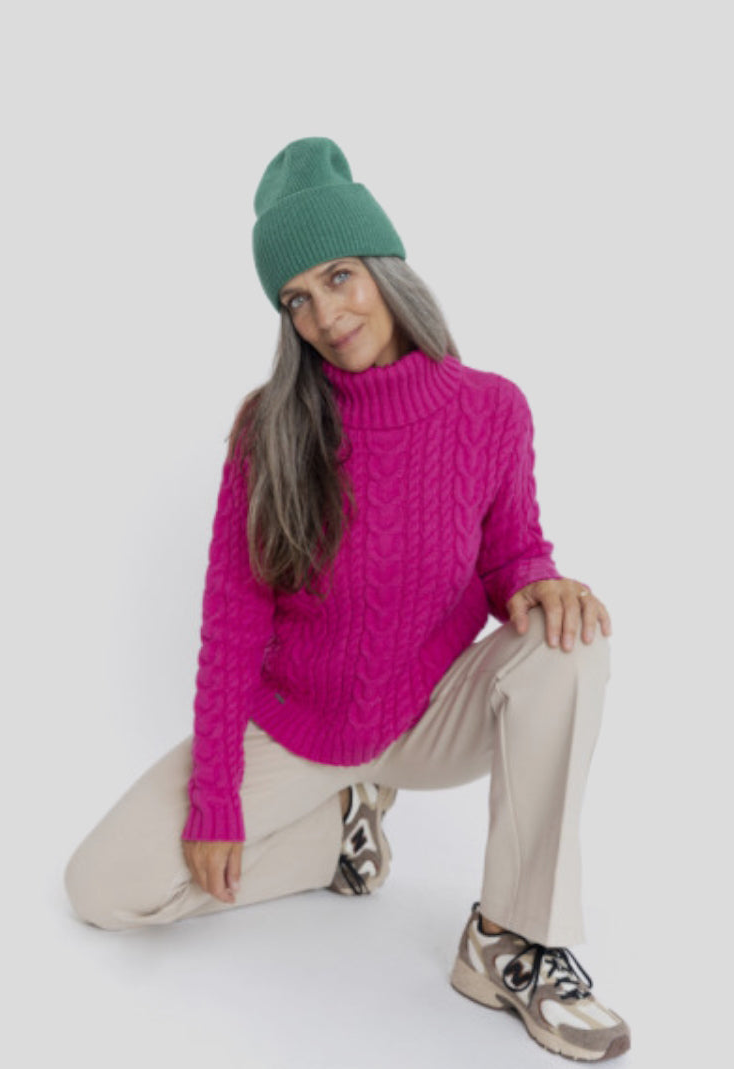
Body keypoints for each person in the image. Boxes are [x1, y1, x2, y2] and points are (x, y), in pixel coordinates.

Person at [65, 137, 630, 1061]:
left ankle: (511, 940)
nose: (326, 315)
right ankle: (336, 833)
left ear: (383, 268)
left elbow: (512, 559)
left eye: (338, 277)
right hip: (300, 727)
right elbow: (231, 624)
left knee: (572, 642)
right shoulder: (271, 428)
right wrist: (216, 798)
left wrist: (541, 580)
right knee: (103, 887)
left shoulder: (492, 409)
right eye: (297, 299)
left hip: (430, 713)